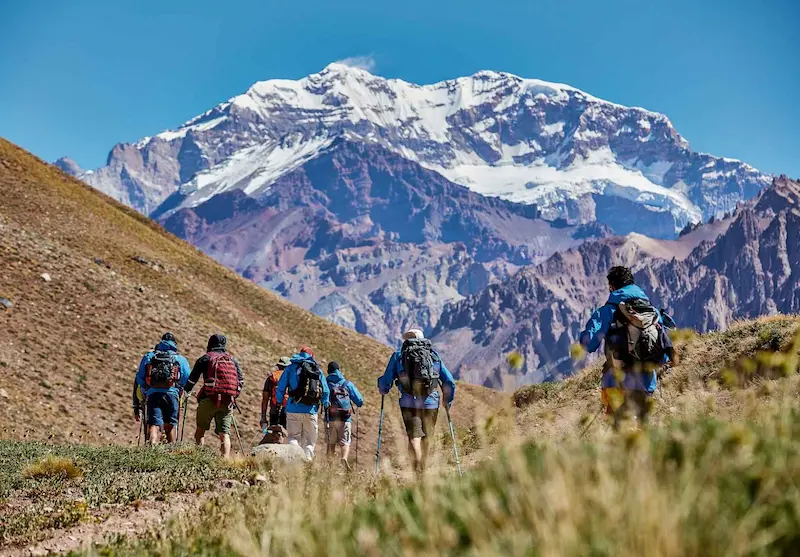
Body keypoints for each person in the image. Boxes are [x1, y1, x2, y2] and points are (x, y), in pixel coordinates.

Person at [579, 266, 673, 428]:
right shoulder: (652, 312)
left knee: (620, 431)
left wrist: (584, 336)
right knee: (642, 431)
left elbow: (589, 345)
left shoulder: (607, 311)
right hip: (647, 384)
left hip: (616, 382)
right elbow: (665, 352)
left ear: (612, 287)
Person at [378, 329, 456, 473]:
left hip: (409, 403)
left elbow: (386, 381)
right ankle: (423, 468)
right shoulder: (433, 356)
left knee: (414, 437)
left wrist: (382, 388)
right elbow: (449, 381)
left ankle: (417, 470)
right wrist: (447, 401)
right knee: (427, 437)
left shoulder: (398, 356)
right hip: (431, 403)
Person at [184, 334, 244, 458]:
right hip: (227, 402)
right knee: (224, 434)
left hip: (208, 399)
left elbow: (192, 379)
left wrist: (186, 391)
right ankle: (225, 460)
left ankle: (198, 457)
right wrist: (232, 396)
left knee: (200, 430)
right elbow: (241, 381)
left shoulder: (205, 358)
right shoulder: (232, 359)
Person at [135, 332, 191, 445]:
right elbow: (186, 380)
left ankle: (152, 446)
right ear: (174, 344)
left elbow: (140, 378)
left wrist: (147, 389)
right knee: (169, 426)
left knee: (154, 424)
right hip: (172, 394)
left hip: (153, 393)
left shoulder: (149, 356)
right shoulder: (180, 359)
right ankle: (170, 453)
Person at [275, 346, 330, 460]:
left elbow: (281, 387)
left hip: (293, 408)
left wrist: (279, 402)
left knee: (293, 437)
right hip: (311, 410)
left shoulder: (290, 368)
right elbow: (325, 390)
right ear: (312, 356)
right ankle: (307, 464)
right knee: (310, 440)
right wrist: (325, 403)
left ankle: (295, 462)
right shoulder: (317, 369)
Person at [325, 361, 364, 470]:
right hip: (345, 418)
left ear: (329, 371)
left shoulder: (326, 383)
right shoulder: (347, 384)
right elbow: (360, 401)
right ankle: (344, 458)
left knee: (330, 443)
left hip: (330, 418)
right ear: (339, 370)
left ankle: (329, 466)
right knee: (345, 442)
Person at [261, 356, 291, 431]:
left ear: (278, 366)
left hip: (274, 409)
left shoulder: (271, 378)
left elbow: (265, 399)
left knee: (273, 434)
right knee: (285, 435)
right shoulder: (291, 378)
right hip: (288, 410)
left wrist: (263, 417)